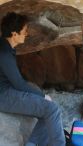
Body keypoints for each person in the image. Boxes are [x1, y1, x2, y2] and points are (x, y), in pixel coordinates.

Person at [0, 12, 65, 146]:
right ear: (14, 34)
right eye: (24, 31)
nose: (27, 34)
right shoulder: (4, 53)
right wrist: (43, 95)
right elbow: (18, 83)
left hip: (6, 89)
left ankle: (32, 143)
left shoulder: (4, 47)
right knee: (52, 109)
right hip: (3, 95)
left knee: (44, 107)